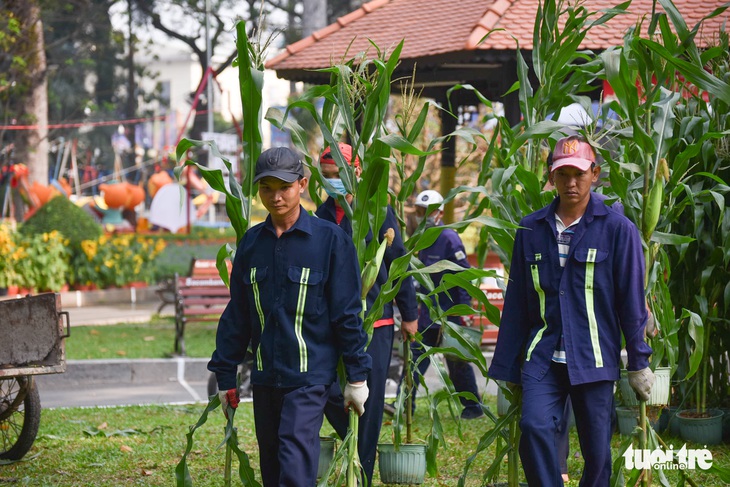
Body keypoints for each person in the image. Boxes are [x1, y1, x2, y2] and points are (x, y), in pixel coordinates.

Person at [488, 136, 655, 486]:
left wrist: (639, 362)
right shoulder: (530, 230)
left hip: (594, 359)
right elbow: (517, 302)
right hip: (543, 357)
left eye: (579, 173)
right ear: (551, 178)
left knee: (597, 453)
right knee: (533, 428)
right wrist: (507, 365)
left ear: (594, 174)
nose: (571, 183)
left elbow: (631, 300)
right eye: (562, 174)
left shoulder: (616, 229)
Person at [208, 146, 372, 487]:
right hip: (265, 379)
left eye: (284, 187)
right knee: (272, 470)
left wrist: (357, 377)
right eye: (267, 188)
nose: (276, 196)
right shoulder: (251, 245)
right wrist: (225, 375)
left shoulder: (330, 241)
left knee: (294, 465)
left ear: (302, 184)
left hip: (309, 379)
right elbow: (238, 314)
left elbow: (346, 313)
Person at [317, 142, 419, 485]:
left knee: (371, 406)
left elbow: (398, 263)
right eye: (327, 176)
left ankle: (362, 472)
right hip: (334, 325)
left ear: (356, 173)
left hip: (376, 321)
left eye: (339, 175)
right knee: (328, 390)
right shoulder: (321, 215)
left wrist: (409, 313)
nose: (333, 182)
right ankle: (353, 444)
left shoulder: (378, 211)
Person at [391, 189, 484, 419]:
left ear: (440, 212)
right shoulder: (421, 238)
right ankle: (403, 406)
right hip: (425, 316)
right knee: (413, 360)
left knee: (457, 363)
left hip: (448, 315)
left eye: (428, 211)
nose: (424, 216)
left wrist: (464, 313)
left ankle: (473, 407)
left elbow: (464, 276)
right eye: (421, 211)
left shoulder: (449, 238)